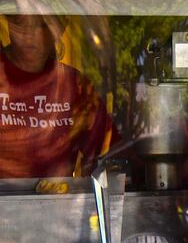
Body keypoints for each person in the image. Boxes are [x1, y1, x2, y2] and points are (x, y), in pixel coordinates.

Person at [0, 14, 114, 179]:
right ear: (9, 25)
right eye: (20, 23)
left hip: (56, 194)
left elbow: (101, 156)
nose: (29, 35)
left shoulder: (77, 86)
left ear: (58, 30)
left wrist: (79, 183)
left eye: (42, 25)